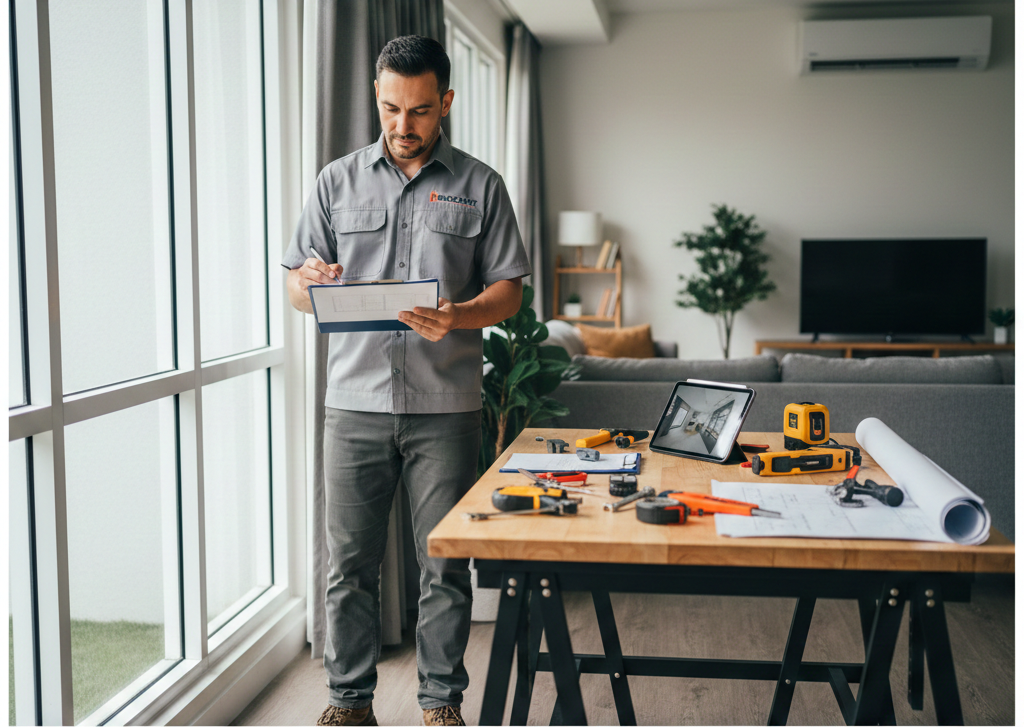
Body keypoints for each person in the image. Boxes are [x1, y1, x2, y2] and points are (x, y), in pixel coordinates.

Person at [282, 35, 531, 727]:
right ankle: (350, 701)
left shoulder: (482, 185)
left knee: (443, 565)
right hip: (353, 403)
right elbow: (296, 289)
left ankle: (439, 703)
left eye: (419, 110)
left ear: (444, 102)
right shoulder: (335, 182)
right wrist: (312, 281)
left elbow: (509, 290)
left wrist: (460, 315)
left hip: (445, 404)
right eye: (390, 109)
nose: (402, 126)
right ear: (377, 97)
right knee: (348, 565)